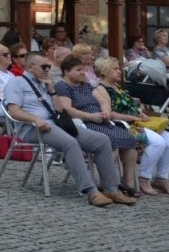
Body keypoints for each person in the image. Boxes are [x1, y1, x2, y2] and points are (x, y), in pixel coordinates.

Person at [1, 52, 130, 207]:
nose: (48, 69)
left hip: (56, 124)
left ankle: (111, 188)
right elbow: (14, 111)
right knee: (70, 143)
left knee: (102, 140)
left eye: (49, 66)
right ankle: (91, 191)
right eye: (44, 66)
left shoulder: (45, 83)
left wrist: (52, 90)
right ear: (30, 67)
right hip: (32, 128)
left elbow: (59, 110)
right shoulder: (16, 83)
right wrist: (35, 119)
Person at [52, 53, 140, 192]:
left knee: (130, 140)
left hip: (101, 120)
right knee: (111, 141)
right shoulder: (63, 87)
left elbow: (103, 100)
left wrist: (105, 112)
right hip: (84, 123)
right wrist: (91, 116)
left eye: (83, 69)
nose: (83, 73)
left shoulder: (86, 85)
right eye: (78, 70)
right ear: (66, 72)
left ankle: (127, 182)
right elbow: (67, 110)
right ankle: (109, 183)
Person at [95, 55, 169, 196]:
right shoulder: (102, 89)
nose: (119, 71)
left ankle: (161, 177)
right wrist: (135, 117)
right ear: (104, 71)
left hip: (137, 121)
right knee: (157, 143)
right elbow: (111, 114)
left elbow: (130, 105)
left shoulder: (116, 87)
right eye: (115, 69)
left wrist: (141, 111)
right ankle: (144, 178)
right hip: (124, 126)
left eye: (119, 68)